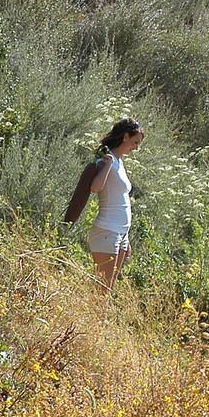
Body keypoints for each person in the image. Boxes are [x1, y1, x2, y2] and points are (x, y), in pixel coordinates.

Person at [87, 117, 144, 293]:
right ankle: (94, 320)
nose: (136, 147)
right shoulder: (108, 159)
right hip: (107, 230)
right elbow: (95, 188)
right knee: (103, 288)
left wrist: (126, 235)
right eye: (135, 142)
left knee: (108, 288)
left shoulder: (119, 161)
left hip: (120, 233)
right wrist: (106, 164)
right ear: (125, 136)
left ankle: (99, 320)